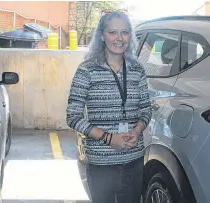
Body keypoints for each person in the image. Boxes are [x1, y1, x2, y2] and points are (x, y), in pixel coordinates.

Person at [66, 10, 152, 203]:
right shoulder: (87, 70)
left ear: (130, 35)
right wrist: (108, 138)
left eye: (125, 32)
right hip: (101, 164)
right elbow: (73, 117)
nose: (119, 38)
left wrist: (137, 131)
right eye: (113, 32)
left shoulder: (137, 70)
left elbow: (146, 109)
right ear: (102, 36)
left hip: (133, 160)